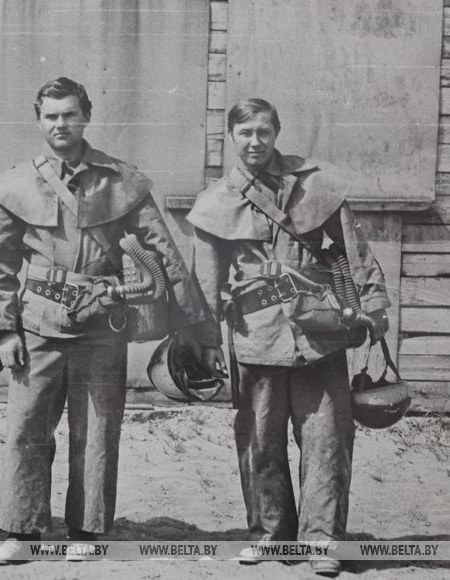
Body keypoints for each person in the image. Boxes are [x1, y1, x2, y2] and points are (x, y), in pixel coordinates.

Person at [0, 77, 209, 563]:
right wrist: (3, 330)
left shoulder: (120, 181)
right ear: (38, 121)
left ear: (86, 116)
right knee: (26, 429)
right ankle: (22, 532)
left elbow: (164, 251)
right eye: (51, 116)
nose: (60, 124)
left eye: (69, 114)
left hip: (103, 323)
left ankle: (86, 532)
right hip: (37, 325)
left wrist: (191, 325)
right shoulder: (15, 184)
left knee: (98, 430)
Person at [187, 98, 391, 577]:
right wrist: (206, 338)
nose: (254, 141)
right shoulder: (216, 202)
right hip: (255, 334)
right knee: (260, 440)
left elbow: (355, 250)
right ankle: (269, 535)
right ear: (231, 137)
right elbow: (205, 281)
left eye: (263, 131)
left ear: (276, 132)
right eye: (245, 133)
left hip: (319, 329)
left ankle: (323, 541)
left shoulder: (315, 184)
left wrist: (373, 304)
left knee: (327, 438)